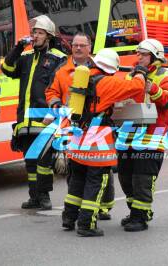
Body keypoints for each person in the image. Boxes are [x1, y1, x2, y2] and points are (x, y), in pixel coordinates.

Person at [60, 48, 147, 237]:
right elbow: (137, 87)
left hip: (77, 137)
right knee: (96, 181)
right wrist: (140, 72)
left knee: (78, 179)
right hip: (96, 140)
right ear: (112, 68)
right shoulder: (109, 82)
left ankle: (69, 217)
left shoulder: (81, 76)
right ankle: (86, 225)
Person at [44, 32, 115, 220]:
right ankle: (78, 210)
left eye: (82, 45)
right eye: (75, 45)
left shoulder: (99, 67)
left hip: (94, 126)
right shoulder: (62, 70)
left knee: (99, 170)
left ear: (89, 48)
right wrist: (56, 106)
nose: (77, 48)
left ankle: (101, 207)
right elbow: (51, 91)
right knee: (76, 170)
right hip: (70, 126)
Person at [1, 15, 67, 210]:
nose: (35, 36)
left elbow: (62, 87)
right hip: (25, 119)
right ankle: (34, 197)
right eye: (34, 32)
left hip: (45, 118)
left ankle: (44, 196)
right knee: (30, 160)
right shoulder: (25, 56)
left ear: (48, 36)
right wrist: (18, 47)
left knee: (43, 161)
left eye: (39, 33)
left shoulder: (58, 57)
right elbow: (6, 69)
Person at [117, 38, 168, 232]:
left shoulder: (164, 77)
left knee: (142, 179)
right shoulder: (132, 75)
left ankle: (140, 217)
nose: (139, 57)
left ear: (154, 56)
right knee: (125, 177)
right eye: (139, 53)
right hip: (129, 135)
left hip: (152, 137)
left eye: (143, 54)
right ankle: (136, 211)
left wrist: (151, 87)